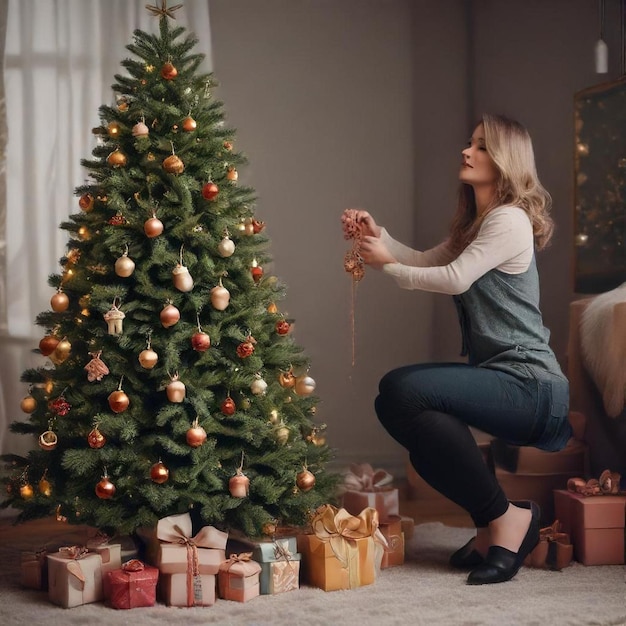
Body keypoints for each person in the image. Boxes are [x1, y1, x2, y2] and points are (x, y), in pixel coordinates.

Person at [343, 113, 572, 585]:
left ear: (505, 160)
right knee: (406, 415)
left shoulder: (509, 220)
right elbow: (426, 261)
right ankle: (494, 522)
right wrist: (378, 236)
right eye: (470, 144)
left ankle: (508, 520)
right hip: (504, 379)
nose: (467, 152)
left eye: (482, 147)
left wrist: (387, 266)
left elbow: (452, 279)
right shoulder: (480, 222)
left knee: (401, 389)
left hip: (532, 386)